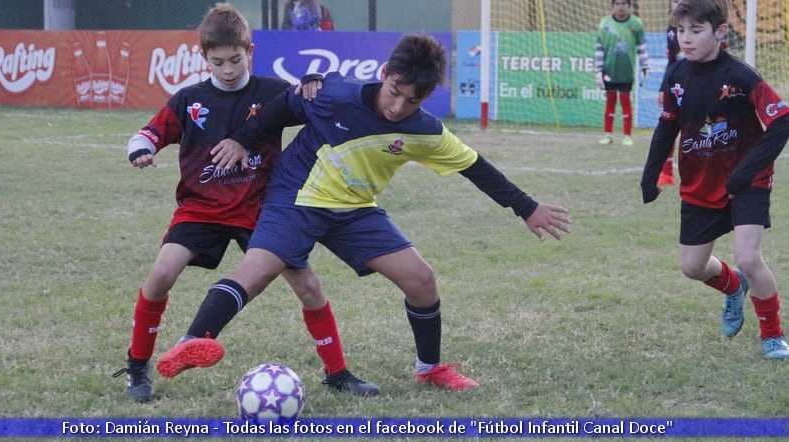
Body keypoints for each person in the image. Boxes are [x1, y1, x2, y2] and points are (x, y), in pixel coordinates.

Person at [156, 33, 572, 391]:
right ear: (385, 71)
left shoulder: (425, 130)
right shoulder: (334, 96)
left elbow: (475, 167)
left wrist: (527, 207)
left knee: (421, 280)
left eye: (412, 100)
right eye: (394, 90)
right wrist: (243, 141)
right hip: (297, 197)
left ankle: (430, 370)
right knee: (258, 270)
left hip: (354, 209)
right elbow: (282, 108)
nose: (397, 106)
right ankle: (192, 341)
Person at [113, 3, 378, 403]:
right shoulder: (189, 100)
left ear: (249, 51)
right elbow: (147, 134)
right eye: (218, 61)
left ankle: (338, 372)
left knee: (308, 286)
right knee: (160, 275)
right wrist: (140, 152)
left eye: (235, 59)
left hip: (261, 210)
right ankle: (137, 367)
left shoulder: (272, 92)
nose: (228, 69)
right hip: (201, 208)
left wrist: (315, 78)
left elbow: (317, 99)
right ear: (203, 57)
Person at [640, 0, 789, 359]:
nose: (685, 38)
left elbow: (782, 119)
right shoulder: (676, 74)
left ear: (720, 31)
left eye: (695, 30)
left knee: (749, 257)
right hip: (699, 181)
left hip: (747, 181)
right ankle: (732, 287)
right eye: (680, 30)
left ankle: (772, 335)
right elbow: (667, 125)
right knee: (691, 266)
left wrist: (747, 171)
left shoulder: (740, 75)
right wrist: (651, 173)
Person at [595, 0, 649, 146]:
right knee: (610, 102)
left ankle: (627, 136)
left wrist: (645, 65)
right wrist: (598, 70)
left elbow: (641, 46)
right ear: (612, 6)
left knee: (626, 102)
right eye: (617, 4)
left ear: (629, 6)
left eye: (624, 4)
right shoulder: (605, 23)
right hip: (609, 71)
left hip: (626, 71)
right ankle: (607, 134)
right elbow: (600, 48)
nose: (620, 7)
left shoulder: (635, 23)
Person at [656, 0, 691, 187]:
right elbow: (671, 62)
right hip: (676, 86)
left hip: (696, 85)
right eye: (675, 0)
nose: (679, 4)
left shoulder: (702, 25)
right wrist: (663, 88)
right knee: (669, 127)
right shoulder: (671, 30)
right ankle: (666, 172)